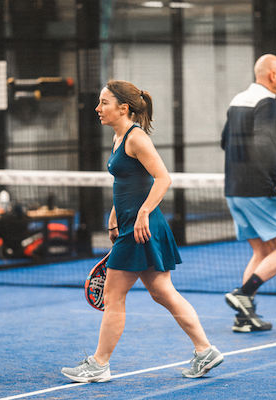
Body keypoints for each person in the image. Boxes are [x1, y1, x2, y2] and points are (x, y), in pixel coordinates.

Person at [61, 80, 223, 383]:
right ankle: (205, 350)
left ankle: (99, 364)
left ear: (123, 108)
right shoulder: (118, 137)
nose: (97, 108)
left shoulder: (136, 139)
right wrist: (114, 216)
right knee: (163, 292)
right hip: (130, 227)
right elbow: (125, 183)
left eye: (104, 103)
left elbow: (162, 179)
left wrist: (142, 214)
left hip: (141, 229)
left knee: (113, 295)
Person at [220, 54, 276, 333]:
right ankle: (243, 293)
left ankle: (244, 318)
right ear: (272, 76)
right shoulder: (267, 101)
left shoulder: (237, 100)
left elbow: (224, 141)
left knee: (261, 250)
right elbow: (263, 142)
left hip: (233, 189)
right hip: (256, 191)